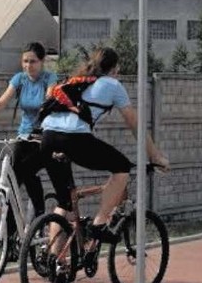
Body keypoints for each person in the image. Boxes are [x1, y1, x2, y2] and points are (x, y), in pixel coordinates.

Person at [39, 46, 170, 244]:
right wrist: (154, 156)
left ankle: (56, 262)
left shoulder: (75, 81)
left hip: (47, 138)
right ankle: (99, 224)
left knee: (64, 202)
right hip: (75, 139)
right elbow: (135, 123)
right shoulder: (112, 85)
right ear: (115, 69)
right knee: (122, 167)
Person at [0, 42, 67, 238]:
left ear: (42, 62)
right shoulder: (20, 79)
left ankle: (39, 215)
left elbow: (48, 101)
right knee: (13, 180)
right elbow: (1, 102)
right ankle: (12, 233)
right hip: (24, 135)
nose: (28, 65)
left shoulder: (50, 79)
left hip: (43, 136)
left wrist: (40, 127)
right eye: (25, 61)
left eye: (33, 61)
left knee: (28, 171)